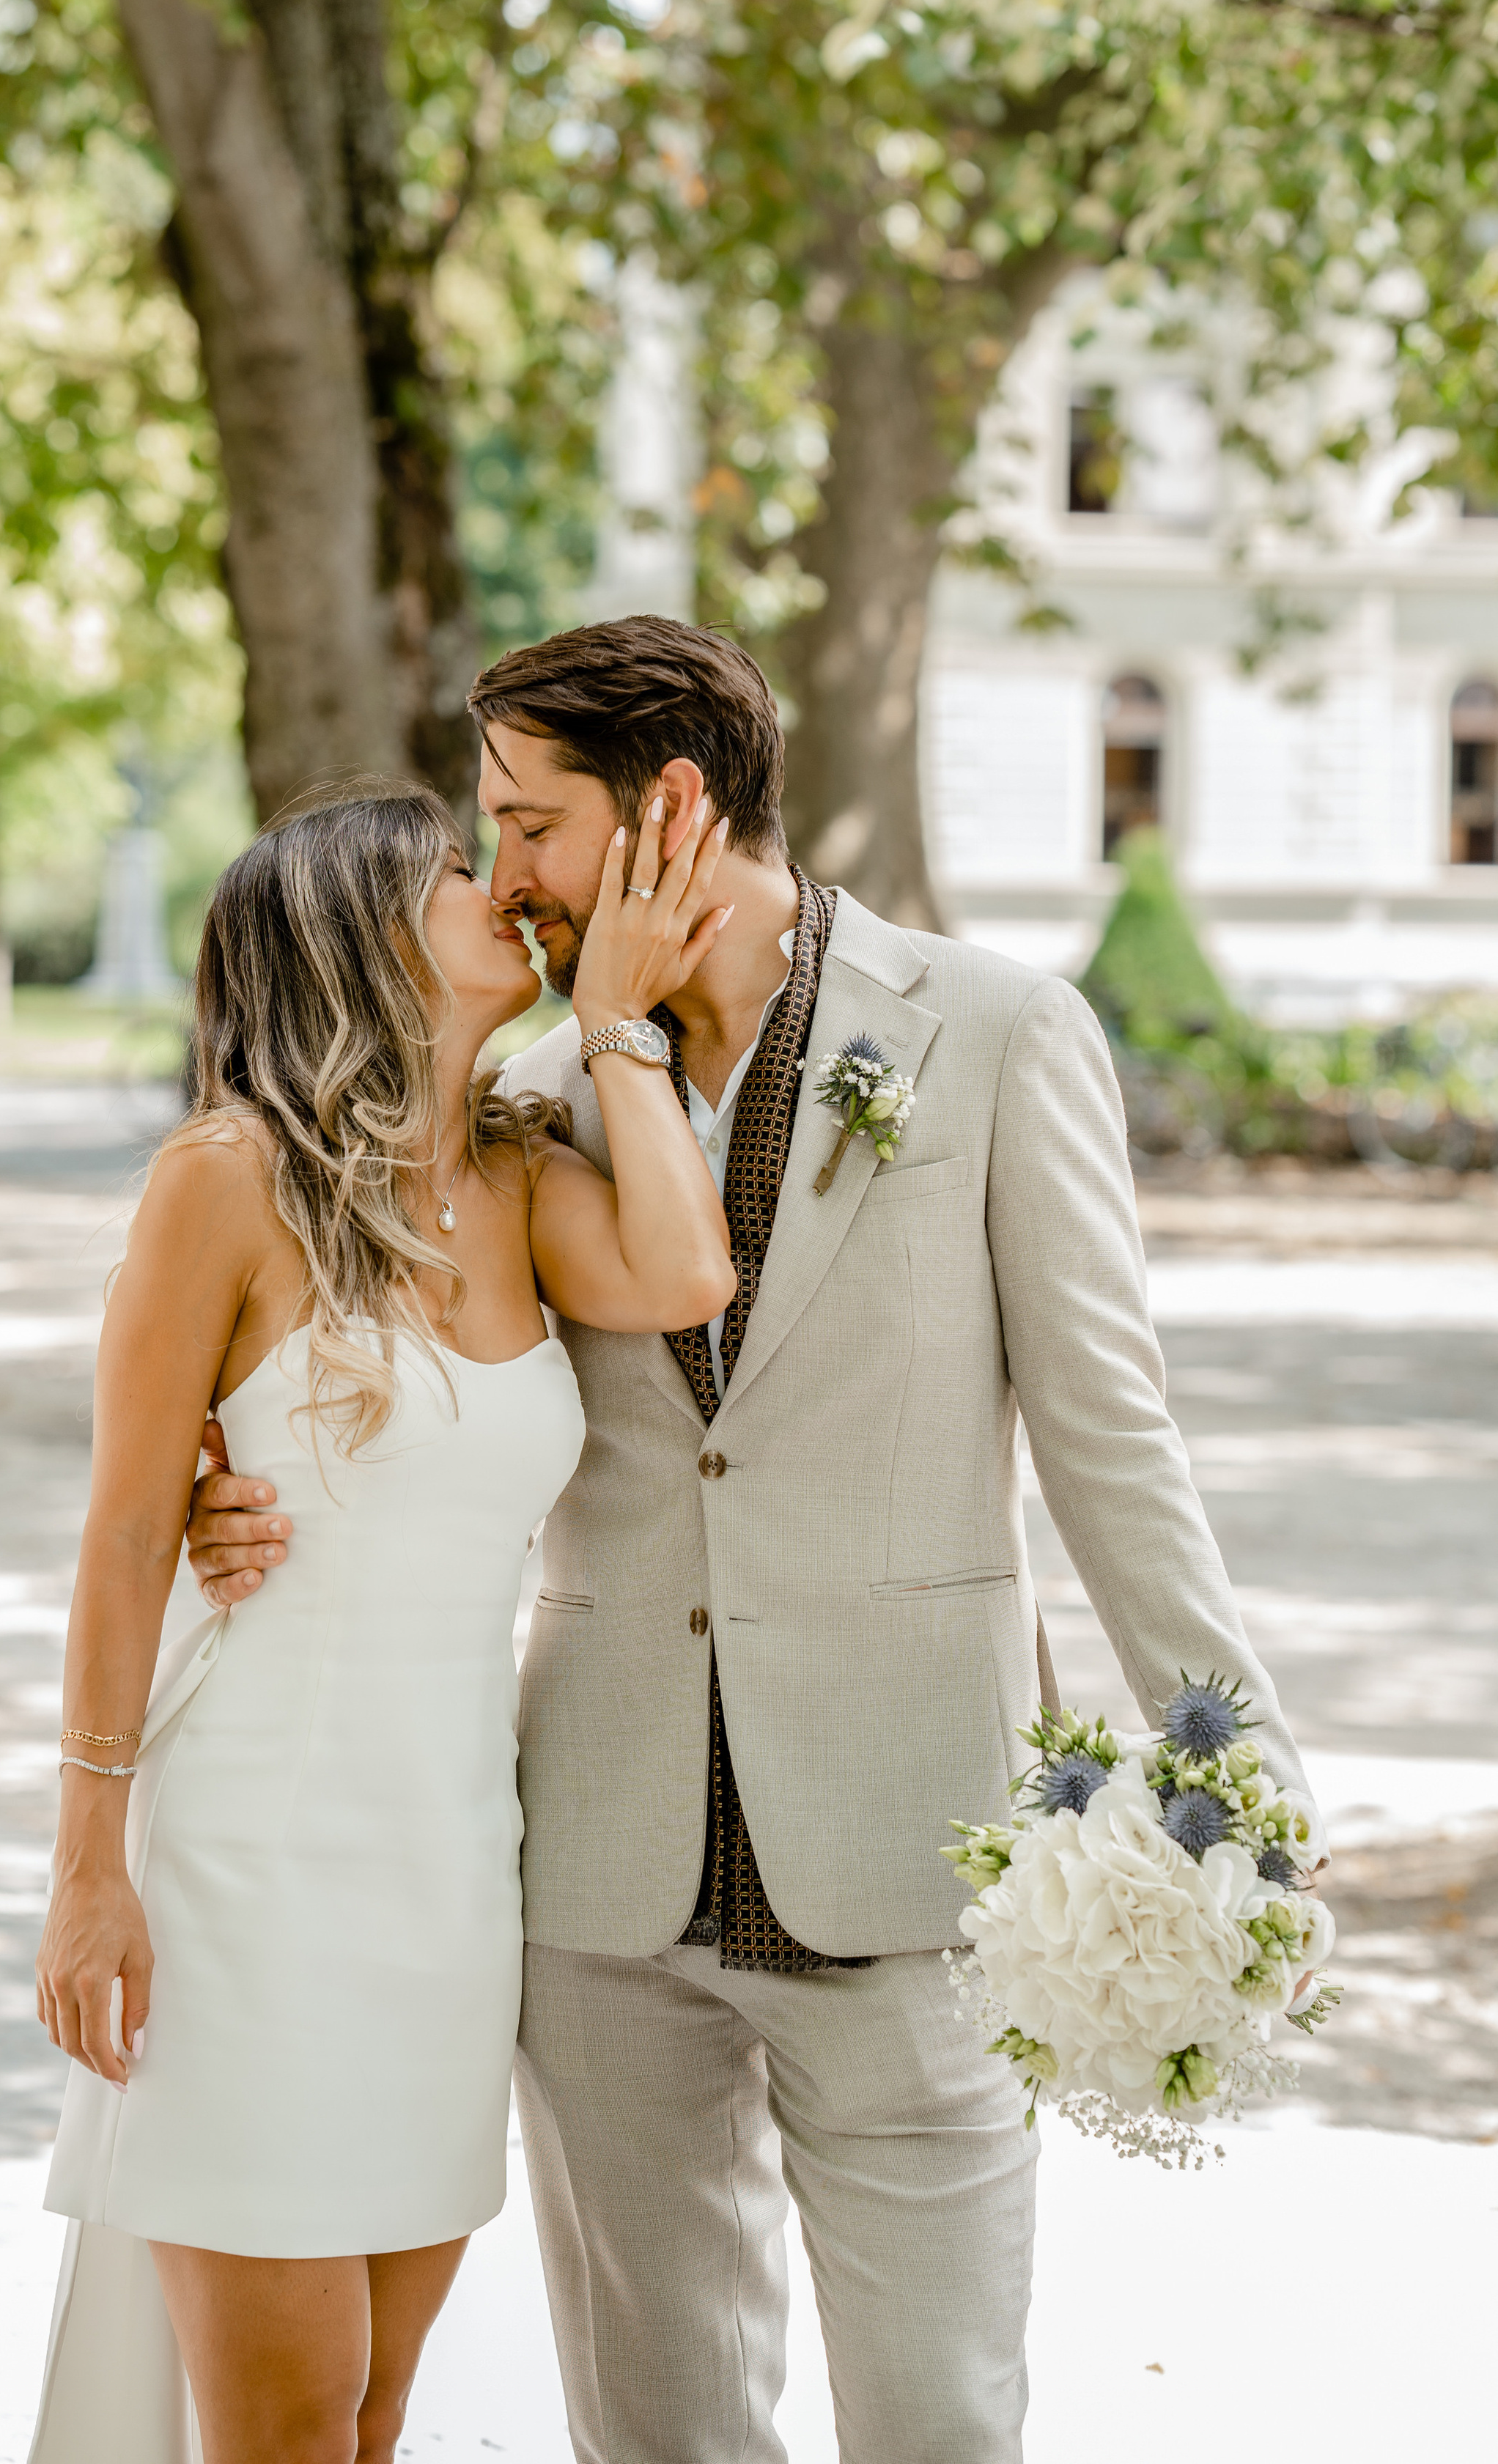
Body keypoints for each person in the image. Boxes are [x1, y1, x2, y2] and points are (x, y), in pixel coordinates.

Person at [188, 619, 1324, 2464]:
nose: (503, 876)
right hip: (600, 1883)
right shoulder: (529, 1089)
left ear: (674, 808)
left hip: (912, 1856)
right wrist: (204, 1492)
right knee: (652, 2434)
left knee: (938, 2421)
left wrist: (1240, 1765)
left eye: (530, 824)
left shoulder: (991, 1034)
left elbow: (1113, 1437)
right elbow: (329, 1342)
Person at [27, 775, 737, 2464]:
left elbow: (685, 1276)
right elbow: (128, 1535)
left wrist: (621, 1025)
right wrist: (85, 1871)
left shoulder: (517, 1174)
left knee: (372, 2412)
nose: (500, 887)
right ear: (349, 930)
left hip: (448, 1878)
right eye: (449, 873)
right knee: (283, 2424)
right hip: (245, 1873)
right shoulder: (224, 1179)